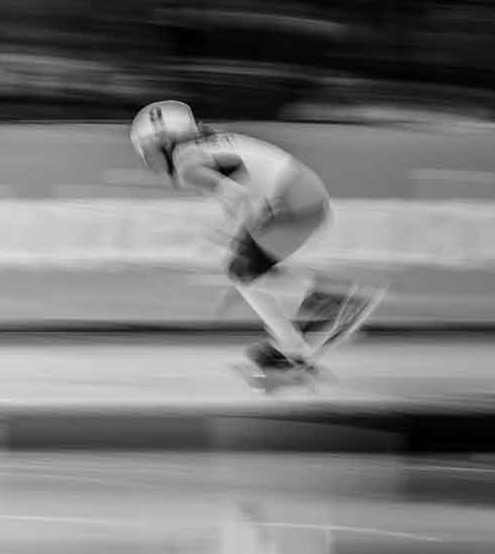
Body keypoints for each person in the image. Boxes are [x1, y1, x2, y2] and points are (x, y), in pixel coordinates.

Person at [128, 100, 384, 377]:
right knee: (245, 271)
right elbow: (244, 190)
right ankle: (296, 344)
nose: (148, 159)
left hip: (295, 203)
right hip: (301, 196)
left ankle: (332, 310)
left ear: (167, 141)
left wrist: (227, 234)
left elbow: (239, 196)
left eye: (149, 149)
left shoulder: (186, 164)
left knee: (246, 271)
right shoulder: (201, 145)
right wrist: (234, 232)